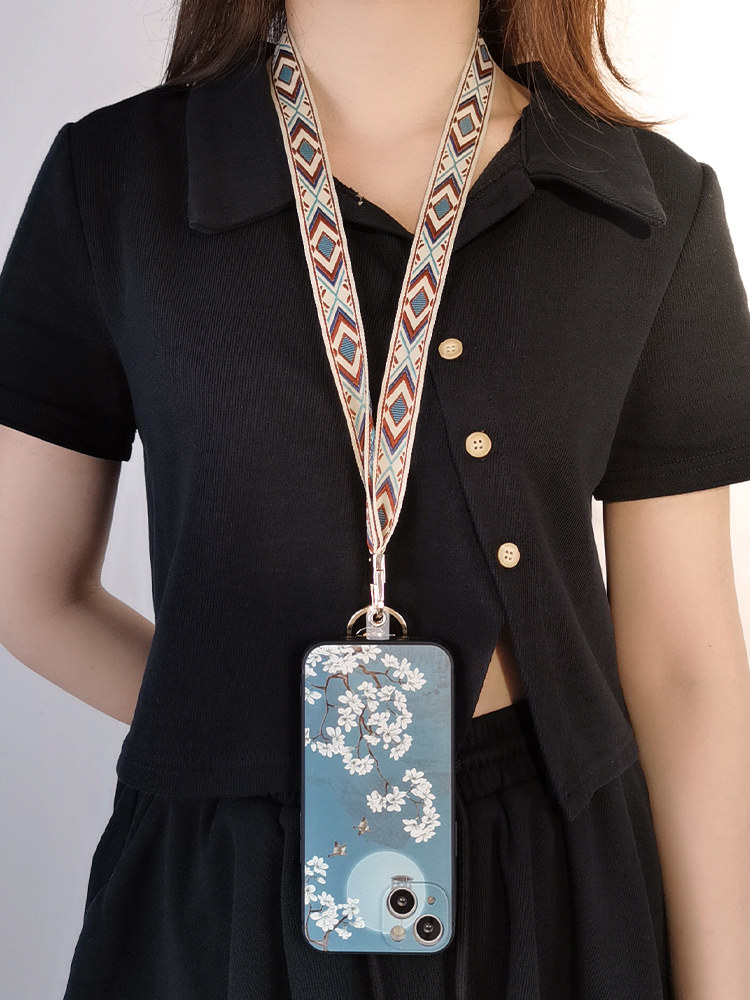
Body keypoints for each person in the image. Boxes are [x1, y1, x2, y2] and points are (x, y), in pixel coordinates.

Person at [1, 0, 749, 997]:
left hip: (560, 885)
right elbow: (29, 590)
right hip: (222, 885)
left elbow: (687, 668)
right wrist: (294, 742)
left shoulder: (649, 208)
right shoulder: (113, 181)